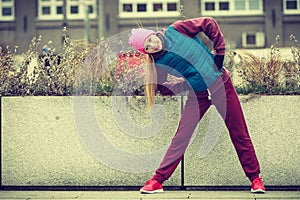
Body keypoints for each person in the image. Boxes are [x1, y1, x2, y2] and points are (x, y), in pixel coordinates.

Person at [128, 17, 266, 194]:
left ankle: (255, 179)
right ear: (146, 52)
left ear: (153, 34)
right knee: (181, 138)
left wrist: (220, 53)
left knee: (239, 132)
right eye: (147, 47)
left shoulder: (176, 30)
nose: (152, 45)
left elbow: (209, 23)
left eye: (150, 40)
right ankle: (157, 180)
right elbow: (163, 88)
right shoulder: (159, 63)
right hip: (197, 96)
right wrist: (183, 85)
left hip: (221, 86)